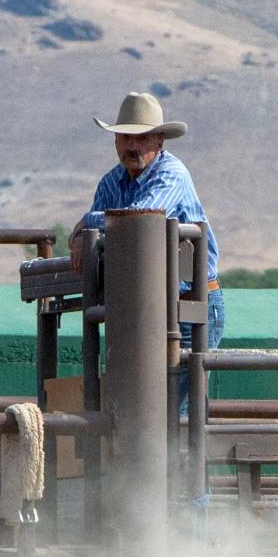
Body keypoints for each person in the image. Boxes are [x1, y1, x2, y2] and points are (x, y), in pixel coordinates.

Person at [70, 91, 223, 414]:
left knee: (177, 405)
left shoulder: (172, 174)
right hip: (146, 307)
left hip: (189, 303)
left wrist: (86, 225)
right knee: (150, 404)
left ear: (159, 142)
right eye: (125, 137)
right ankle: (171, 461)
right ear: (116, 142)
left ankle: (183, 463)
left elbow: (141, 218)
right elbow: (108, 228)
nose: (132, 146)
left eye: (141, 138)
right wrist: (83, 234)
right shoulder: (111, 182)